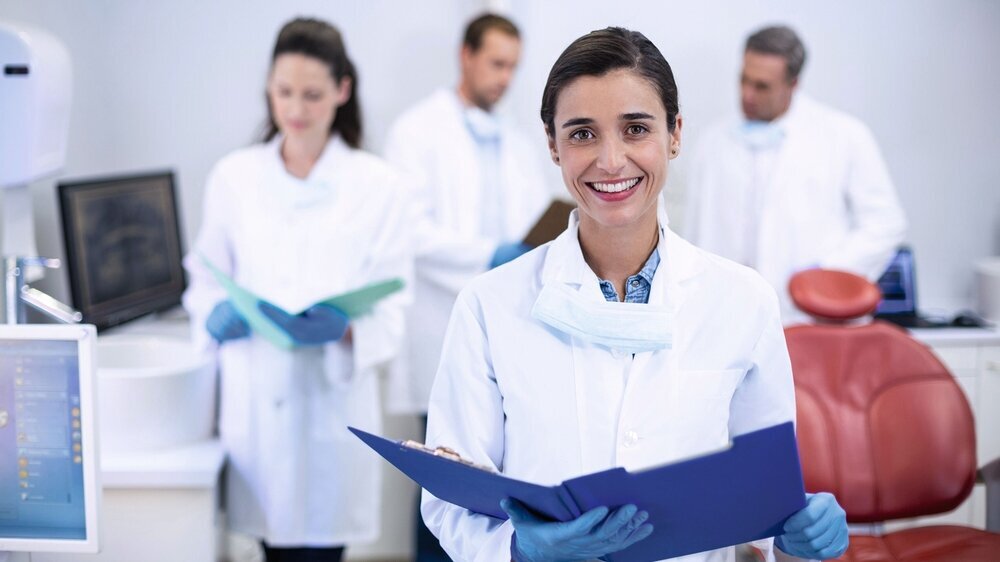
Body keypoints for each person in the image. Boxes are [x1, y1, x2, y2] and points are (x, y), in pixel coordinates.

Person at [422, 27, 849, 562]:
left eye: (636, 129)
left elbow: (766, 503)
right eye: (582, 133)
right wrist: (518, 549)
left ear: (675, 134)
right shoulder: (489, 305)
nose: (611, 160)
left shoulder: (744, 301)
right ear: (553, 145)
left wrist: (796, 532)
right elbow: (450, 499)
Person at [182, 18, 411, 562]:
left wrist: (346, 329)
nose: (296, 109)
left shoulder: (378, 185)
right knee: (268, 542)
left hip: (331, 408)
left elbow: (395, 305)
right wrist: (215, 311)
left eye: (312, 95)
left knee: (322, 547)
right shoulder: (234, 177)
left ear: (342, 90)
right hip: (257, 404)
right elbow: (206, 275)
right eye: (284, 92)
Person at [382, 13, 551, 560]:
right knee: (443, 480)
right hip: (439, 329)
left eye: (513, 67)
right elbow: (409, 232)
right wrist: (488, 254)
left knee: (496, 481)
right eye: (496, 63)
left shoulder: (518, 141)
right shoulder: (415, 131)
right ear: (466, 55)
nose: (505, 78)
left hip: (508, 332)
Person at [684, 25, 906, 323]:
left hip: (811, 317)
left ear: (793, 84)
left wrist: (827, 272)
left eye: (762, 86)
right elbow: (696, 233)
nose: (747, 95)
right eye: (743, 80)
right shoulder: (712, 142)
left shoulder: (845, 136)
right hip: (729, 316)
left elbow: (886, 223)